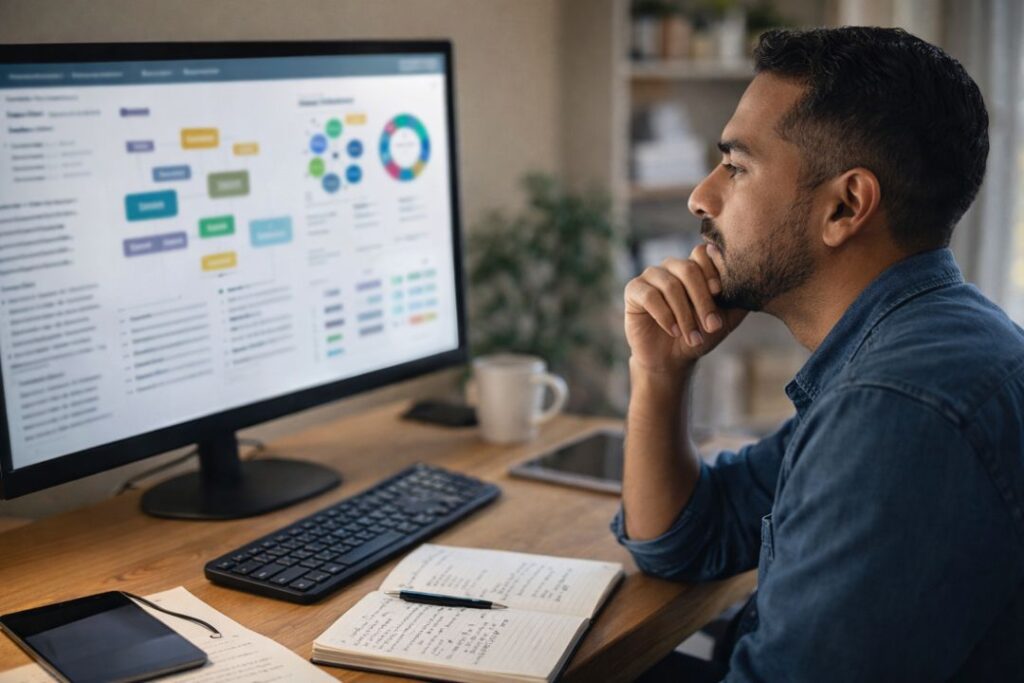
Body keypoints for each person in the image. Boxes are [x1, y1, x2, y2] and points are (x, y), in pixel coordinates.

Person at [613, 26, 1024, 682]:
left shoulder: (897, 409)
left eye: (737, 166)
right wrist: (660, 372)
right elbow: (687, 539)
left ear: (846, 206)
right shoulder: (920, 340)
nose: (701, 196)